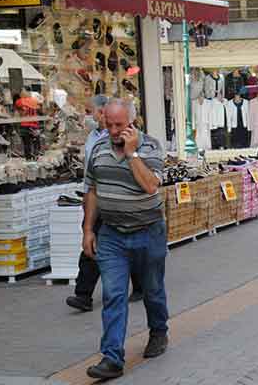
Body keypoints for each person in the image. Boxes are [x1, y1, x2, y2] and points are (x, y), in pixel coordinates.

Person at [83, 98, 169, 379]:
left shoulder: (150, 146)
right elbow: (92, 190)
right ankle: (112, 357)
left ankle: (158, 330)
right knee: (114, 294)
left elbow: (150, 185)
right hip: (112, 235)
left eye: (120, 125)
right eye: (109, 124)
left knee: (153, 289)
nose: (114, 130)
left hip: (148, 231)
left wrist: (132, 155)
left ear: (132, 122)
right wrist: (88, 230)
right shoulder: (97, 148)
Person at [66, 95, 143, 313]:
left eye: (91, 111)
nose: (89, 116)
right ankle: (83, 294)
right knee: (91, 244)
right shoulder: (93, 137)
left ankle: (140, 285)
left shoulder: (132, 138)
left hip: (120, 200)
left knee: (131, 244)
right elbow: (91, 171)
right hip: (96, 196)